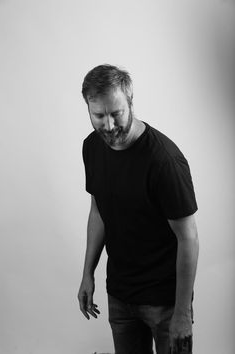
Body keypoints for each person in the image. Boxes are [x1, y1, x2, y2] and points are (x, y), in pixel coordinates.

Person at [78, 64, 199, 354]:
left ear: (130, 99)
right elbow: (98, 210)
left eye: (116, 113)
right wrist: (87, 272)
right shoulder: (91, 147)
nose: (108, 125)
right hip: (120, 294)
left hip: (165, 302)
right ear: (88, 109)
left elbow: (189, 238)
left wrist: (183, 312)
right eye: (98, 115)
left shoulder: (164, 161)